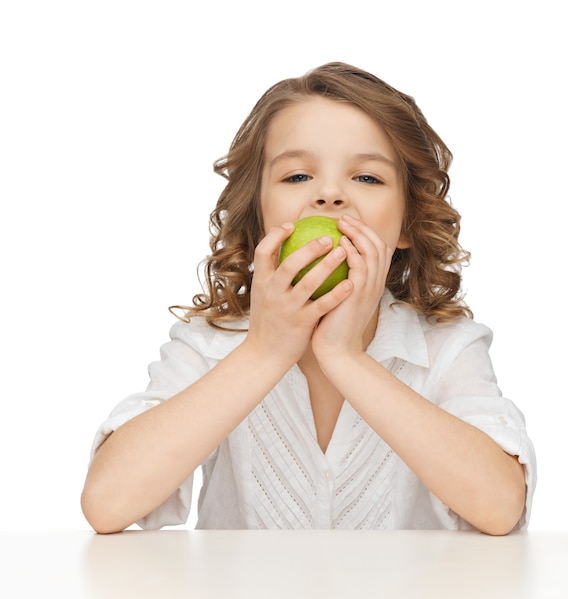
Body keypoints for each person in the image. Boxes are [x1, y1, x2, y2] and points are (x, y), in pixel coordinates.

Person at [81, 62, 536, 535]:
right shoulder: (209, 345)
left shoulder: (447, 347)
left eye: (368, 178)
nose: (330, 195)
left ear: (405, 225)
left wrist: (345, 356)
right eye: (298, 177)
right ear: (257, 215)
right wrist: (265, 351)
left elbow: (500, 507)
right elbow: (107, 503)